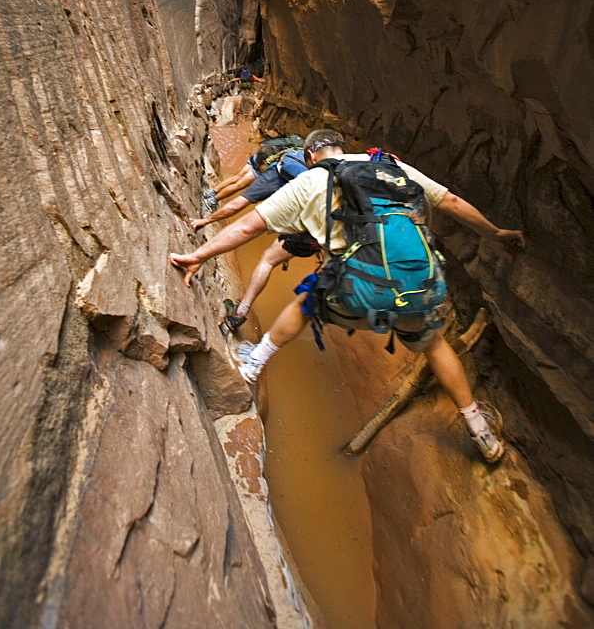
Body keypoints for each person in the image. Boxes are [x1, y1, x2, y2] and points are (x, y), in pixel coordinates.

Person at [170, 130, 526, 463]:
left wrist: (199, 256)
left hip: (358, 292)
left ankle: (253, 364)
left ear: (310, 155)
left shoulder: (312, 179)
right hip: (419, 288)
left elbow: (249, 226)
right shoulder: (390, 166)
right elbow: (449, 201)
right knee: (434, 344)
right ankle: (479, 429)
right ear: (343, 147)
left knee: (307, 300)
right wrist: (496, 234)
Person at [191, 140, 318, 329]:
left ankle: (240, 313)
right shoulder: (329, 176)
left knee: (267, 260)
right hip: (322, 232)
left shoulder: (277, 173)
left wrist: (204, 221)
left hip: (301, 228)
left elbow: (239, 205)